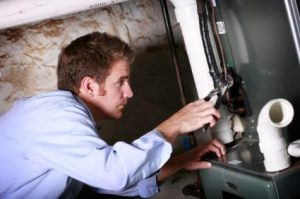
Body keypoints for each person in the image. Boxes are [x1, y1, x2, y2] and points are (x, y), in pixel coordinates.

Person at [0, 32, 225, 198]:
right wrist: (175, 124)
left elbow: (104, 184)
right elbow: (114, 175)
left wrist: (182, 161)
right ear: (89, 86)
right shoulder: (55, 115)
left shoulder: (62, 120)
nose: (129, 92)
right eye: (121, 82)